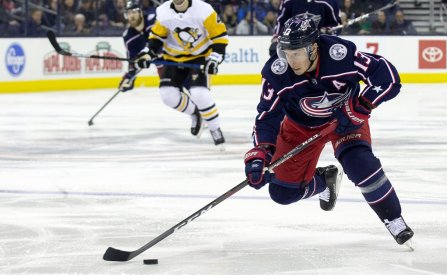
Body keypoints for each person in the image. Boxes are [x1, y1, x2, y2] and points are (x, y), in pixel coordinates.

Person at [244, 14, 414, 246]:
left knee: (361, 166)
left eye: (297, 53)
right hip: (299, 127)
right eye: (287, 53)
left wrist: (363, 105)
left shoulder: (340, 54)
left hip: (346, 120)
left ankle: (393, 218)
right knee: (282, 194)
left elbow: (388, 77)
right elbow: (266, 116)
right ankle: (325, 181)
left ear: (313, 48)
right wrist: (261, 154)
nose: (291, 60)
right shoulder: (277, 72)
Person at [134, 0, 228, 147]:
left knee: (199, 94)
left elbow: (219, 37)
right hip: (173, 57)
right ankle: (195, 113)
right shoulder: (163, 11)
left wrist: (215, 58)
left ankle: (215, 128)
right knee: (167, 96)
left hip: (200, 56)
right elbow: (156, 38)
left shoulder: (204, 10)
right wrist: (147, 54)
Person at [269, 0, 342, 56]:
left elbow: (336, 25)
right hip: (293, 44)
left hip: (319, 44)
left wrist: (328, 31)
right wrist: (276, 37)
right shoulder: (289, 1)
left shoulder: (329, 2)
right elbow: (281, 21)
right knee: (274, 50)